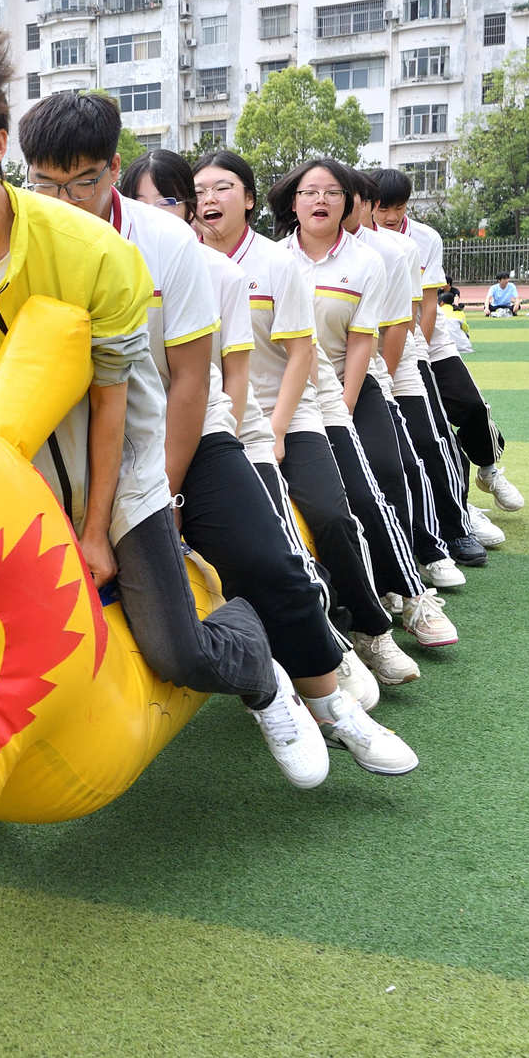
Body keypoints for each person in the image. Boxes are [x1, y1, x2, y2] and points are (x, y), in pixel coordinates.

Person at [0, 27, 334, 787]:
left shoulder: (88, 249)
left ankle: (257, 666)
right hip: (15, 484)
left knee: (175, 651)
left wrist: (95, 529)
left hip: (123, 475)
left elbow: (113, 396)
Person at [23, 105, 403, 778]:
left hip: (187, 436)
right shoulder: (23, 239)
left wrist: (165, 490)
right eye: (43, 185)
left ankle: (329, 700)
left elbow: (193, 384)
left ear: (113, 169)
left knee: (267, 557)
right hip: (76, 450)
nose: (61, 201)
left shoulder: (168, 245)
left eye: (78, 183)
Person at [190, 150, 423, 689]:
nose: (208, 199)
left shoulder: (277, 263)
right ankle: (322, 638)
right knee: (264, 534)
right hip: (220, 420)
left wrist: (275, 429)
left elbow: (301, 355)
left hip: (291, 413)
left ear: (248, 199)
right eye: (198, 190)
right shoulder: (181, 263)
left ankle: (373, 628)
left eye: (222, 187)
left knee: (334, 515)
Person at [272, 161, 459, 650]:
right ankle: (360, 595)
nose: (320, 200)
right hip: (289, 390)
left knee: (380, 474)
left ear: (349, 203)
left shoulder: (368, 261)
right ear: (293, 202)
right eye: (309, 191)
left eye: (332, 192)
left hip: (348, 382)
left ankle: (413, 594)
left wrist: (347, 406)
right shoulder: (272, 260)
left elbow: (364, 342)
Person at [357, 172, 486, 574]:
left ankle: (456, 524)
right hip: (343, 364)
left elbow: (412, 317)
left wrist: (393, 376)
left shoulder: (402, 247)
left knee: (429, 438)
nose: (388, 214)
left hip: (401, 351)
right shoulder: (300, 252)